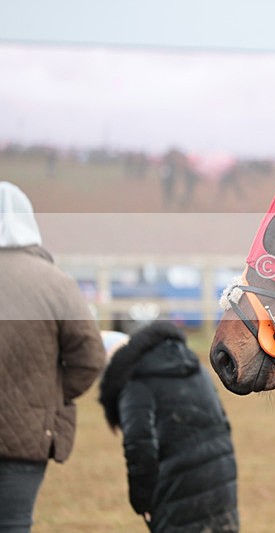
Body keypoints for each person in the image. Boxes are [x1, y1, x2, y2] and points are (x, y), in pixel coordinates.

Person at [0, 181, 106, 532]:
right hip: (27, 436)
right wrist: (50, 395)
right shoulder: (56, 283)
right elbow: (90, 357)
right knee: (14, 524)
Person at [99, 321, 239, 532]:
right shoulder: (195, 366)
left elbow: (139, 448)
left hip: (177, 490)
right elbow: (222, 422)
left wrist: (142, 501)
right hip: (221, 478)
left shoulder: (136, 382)